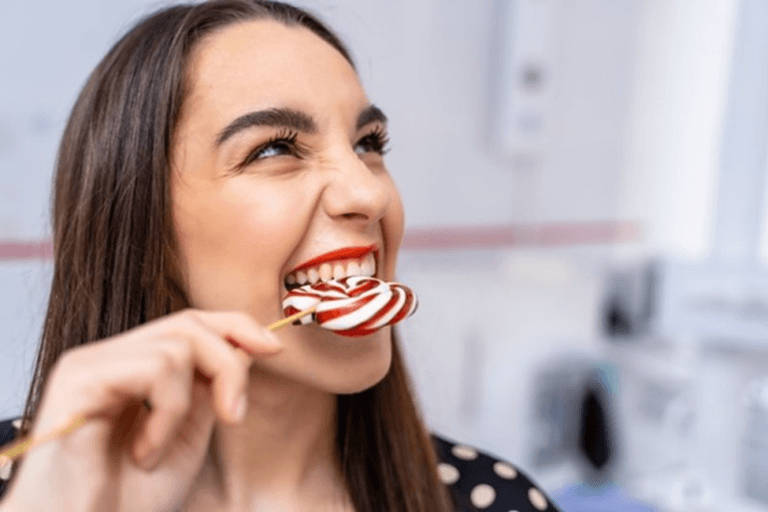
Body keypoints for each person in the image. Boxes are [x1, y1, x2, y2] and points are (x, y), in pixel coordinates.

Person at [0, 1, 561, 510]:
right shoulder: (25, 489)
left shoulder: (494, 501)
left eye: (368, 144)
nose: (369, 194)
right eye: (275, 149)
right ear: (144, 232)